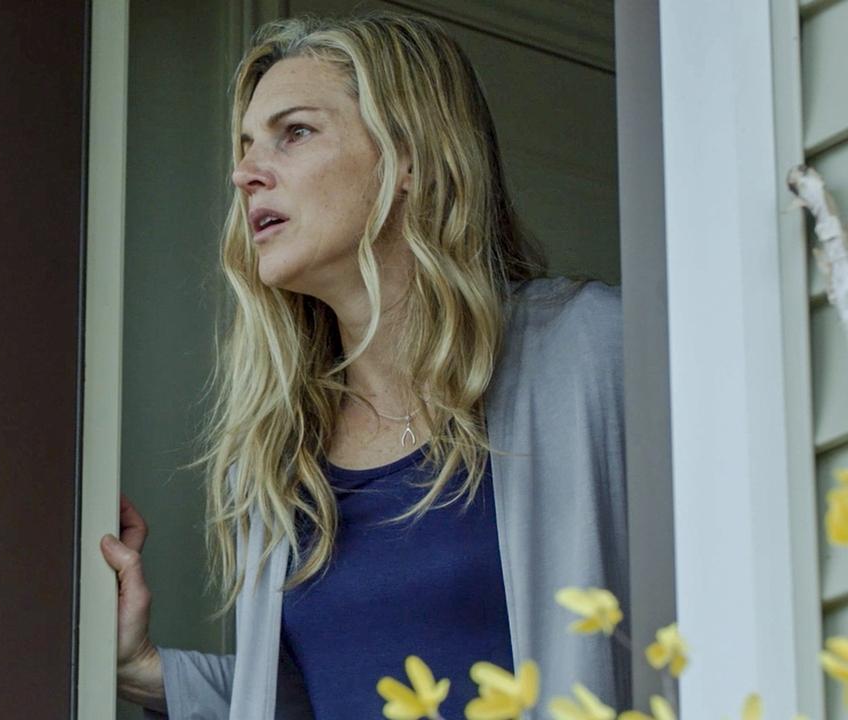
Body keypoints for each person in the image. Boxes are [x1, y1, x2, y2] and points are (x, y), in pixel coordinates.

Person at [100, 11, 630, 719]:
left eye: (295, 132)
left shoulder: (589, 352)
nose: (245, 172)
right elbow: (314, 696)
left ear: (408, 158)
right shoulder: (277, 456)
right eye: (247, 146)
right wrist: (143, 669)